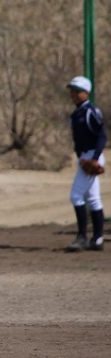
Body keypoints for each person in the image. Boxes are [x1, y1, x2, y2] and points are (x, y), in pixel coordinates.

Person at [65, 76, 106, 252]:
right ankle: (97, 239)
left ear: (86, 93)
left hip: (92, 156)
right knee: (93, 199)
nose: (74, 94)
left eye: (77, 91)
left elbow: (102, 135)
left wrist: (95, 158)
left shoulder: (90, 111)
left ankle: (82, 237)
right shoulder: (76, 114)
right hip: (84, 158)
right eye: (72, 91)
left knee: (75, 195)